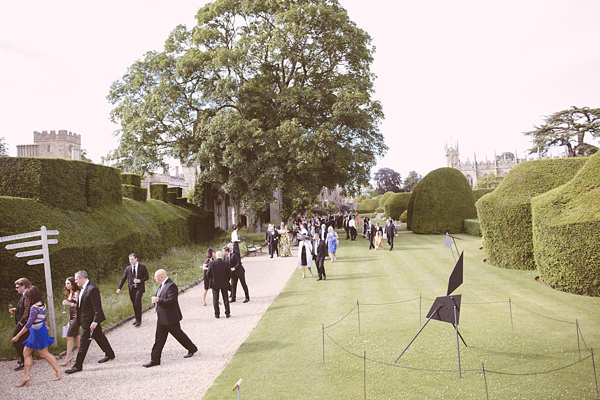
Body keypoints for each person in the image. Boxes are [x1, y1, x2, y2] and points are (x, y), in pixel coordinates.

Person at [143, 269, 198, 367]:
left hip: (170, 317)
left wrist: (159, 300)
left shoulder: (171, 286)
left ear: (161, 277)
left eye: (156, 277)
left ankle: (192, 348)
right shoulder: (162, 285)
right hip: (162, 317)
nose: (155, 279)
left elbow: (171, 300)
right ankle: (155, 359)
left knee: (178, 334)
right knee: (159, 339)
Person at [65, 270, 115, 374]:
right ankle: (110, 353)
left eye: (76, 279)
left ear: (82, 278)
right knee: (99, 336)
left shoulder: (92, 289)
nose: (75, 281)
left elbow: (97, 307)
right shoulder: (81, 288)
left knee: (84, 343)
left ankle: (78, 365)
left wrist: (95, 321)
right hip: (83, 319)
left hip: (89, 321)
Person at [12, 285, 62, 386]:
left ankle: (58, 370)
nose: (25, 299)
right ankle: (25, 376)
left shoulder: (34, 307)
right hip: (39, 330)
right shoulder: (41, 304)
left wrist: (17, 336)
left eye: (27, 297)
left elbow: (29, 324)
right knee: (26, 352)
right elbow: (44, 318)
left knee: (43, 353)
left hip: (36, 331)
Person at [116, 253, 149, 327]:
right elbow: (123, 279)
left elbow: (147, 277)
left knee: (137, 302)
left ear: (136, 259)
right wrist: (119, 288)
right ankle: (136, 318)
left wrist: (140, 280)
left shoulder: (142, 267)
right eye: (130, 260)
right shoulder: (128, 269)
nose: (131, 261)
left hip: (139, 288)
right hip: (132, 289)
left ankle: (139, 320)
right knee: (134, 304)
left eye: (132, 259)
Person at [9, 277, 32, 371]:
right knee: (23, 340)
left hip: (23, 323)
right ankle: (26, 358)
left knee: (16, 339)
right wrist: (16, 309)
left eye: (18, 287)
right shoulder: (24, 295)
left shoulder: (27, 295)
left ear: (23, 286)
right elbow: (23, 308)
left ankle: (24, 360)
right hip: (22, 322)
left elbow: (27, 310)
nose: (16, 289)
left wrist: (22, 322)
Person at [60, 276, 80, 366]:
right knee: (76, 336)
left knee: (69, 336)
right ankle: (81, 354)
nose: (66, 285)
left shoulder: (77, 293)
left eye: (68, 283)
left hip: (77, 315)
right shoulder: (69, 293)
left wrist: (69, 303)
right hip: (72, 316)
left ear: (72, 284)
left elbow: (79, 306)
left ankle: (68, 357)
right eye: (66, 283)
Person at [206, 251, 232, 318]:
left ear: (216, 256)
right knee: (225, 298)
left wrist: (211, 280)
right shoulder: (225, 263)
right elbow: (229, 274)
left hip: (215, 283)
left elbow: (208, 274)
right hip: (224, 282)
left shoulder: (212, 263)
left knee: (215, 298)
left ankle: (217, 314)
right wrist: (227, 280)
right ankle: (227, 313)